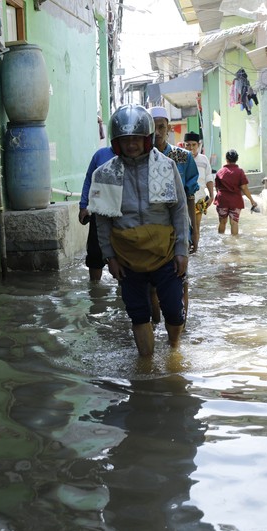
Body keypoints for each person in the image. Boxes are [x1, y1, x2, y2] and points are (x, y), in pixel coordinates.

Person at [89, 104, 189, 355]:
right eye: (125, 140)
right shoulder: (105, 173)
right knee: (138, 314)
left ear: (146, 139)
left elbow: (179, 209)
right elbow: (102, 220)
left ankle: (174, 351)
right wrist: (109, 257)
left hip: (164, 253)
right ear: (116, 142)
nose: (131, 144)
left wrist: (182, 250)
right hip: (127, 257)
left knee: (174, 311)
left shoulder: (166, 166)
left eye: (136, 139)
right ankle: (146, 365)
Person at [148, 107, 199, 252]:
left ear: (168, 128)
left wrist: (195, 231)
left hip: (179, 225)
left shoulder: (183, 156)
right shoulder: (142, 158)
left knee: (180, 269)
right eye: (153, 127)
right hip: (151, 226)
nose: (157, 132)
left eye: (161, 127)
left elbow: (190, 195)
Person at [78, 146, 115, 281]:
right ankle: (95, 289)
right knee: (95, 253)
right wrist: (84, 205)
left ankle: (123, 291)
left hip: (123, 214)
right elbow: (89, 180)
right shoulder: (100, 155)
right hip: (98, 210)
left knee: (124, 254)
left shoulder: (133, 155)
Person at [213, 149, 258, 235]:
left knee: (222, 222)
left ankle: (221, 244)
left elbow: (217, 188)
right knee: (234, 223)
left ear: (226, 159)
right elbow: (244, 187)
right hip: (236, 201)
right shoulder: (240, 172)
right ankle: (234, 245)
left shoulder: (220, 172)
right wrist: (252, 200)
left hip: (222, 200)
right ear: (236, 159)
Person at [183, 132, 213, 249]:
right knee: (184, 226)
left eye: (193, 145)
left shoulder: (204, 159)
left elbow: (209, 177)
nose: (191, 147)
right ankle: (186, 249)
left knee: (196, 226)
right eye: (188, 145)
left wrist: (211, 195)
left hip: (199, 199)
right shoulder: (181, 158)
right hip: (184, 199)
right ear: (184, 145)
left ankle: (195, 250)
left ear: (198, 145)